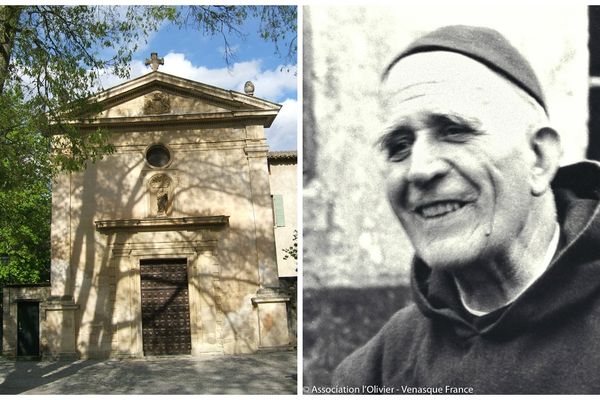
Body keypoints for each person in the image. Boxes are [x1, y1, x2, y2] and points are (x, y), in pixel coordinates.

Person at [333, 25, 600, 394]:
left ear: (538, 159)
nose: (420, 169)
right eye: (398, 145)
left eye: (454, 130)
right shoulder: (374, 372)